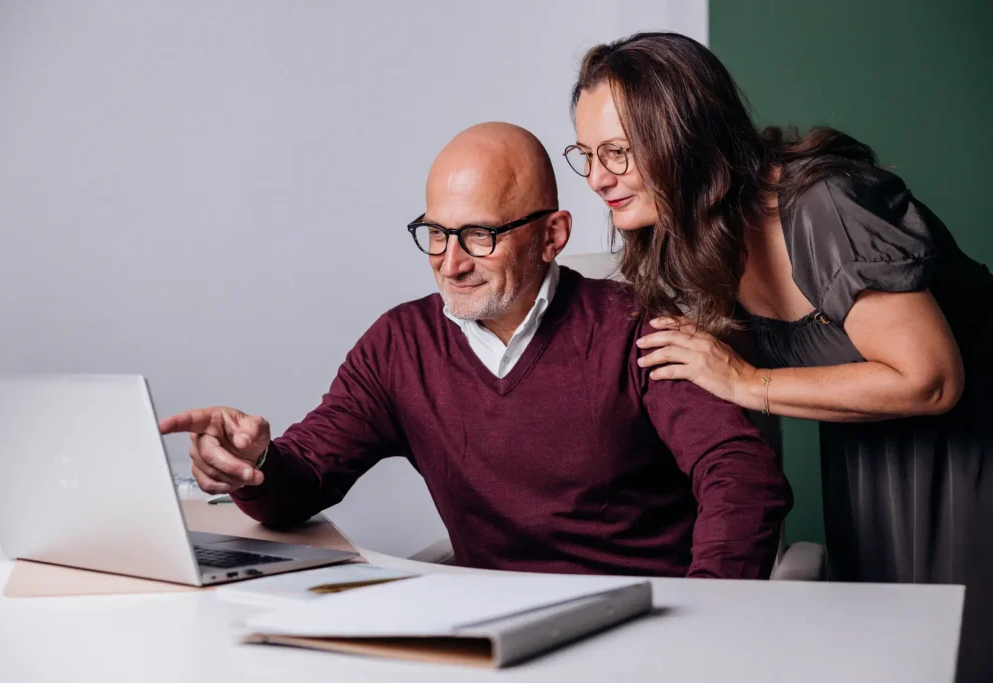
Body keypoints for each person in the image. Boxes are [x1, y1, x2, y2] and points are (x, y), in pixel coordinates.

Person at [160, 122, 792, 580]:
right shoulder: (399, 346)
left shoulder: (637, 327)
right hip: (490, 635)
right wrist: (252, 464)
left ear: (552, 235)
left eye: (480, 235)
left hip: (642, 622)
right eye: (436, 233)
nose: (450, 262)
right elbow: (303, 483)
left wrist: (707, 615)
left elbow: (741, 477)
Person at [566, 31, 993, 680]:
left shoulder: (826, 206)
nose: (598, 178)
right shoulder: (697, 237)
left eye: (617, 153)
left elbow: (931, 380)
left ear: (684, 136)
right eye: (587, 155)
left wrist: (748, 381)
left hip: (971, 458)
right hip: (871, 467)